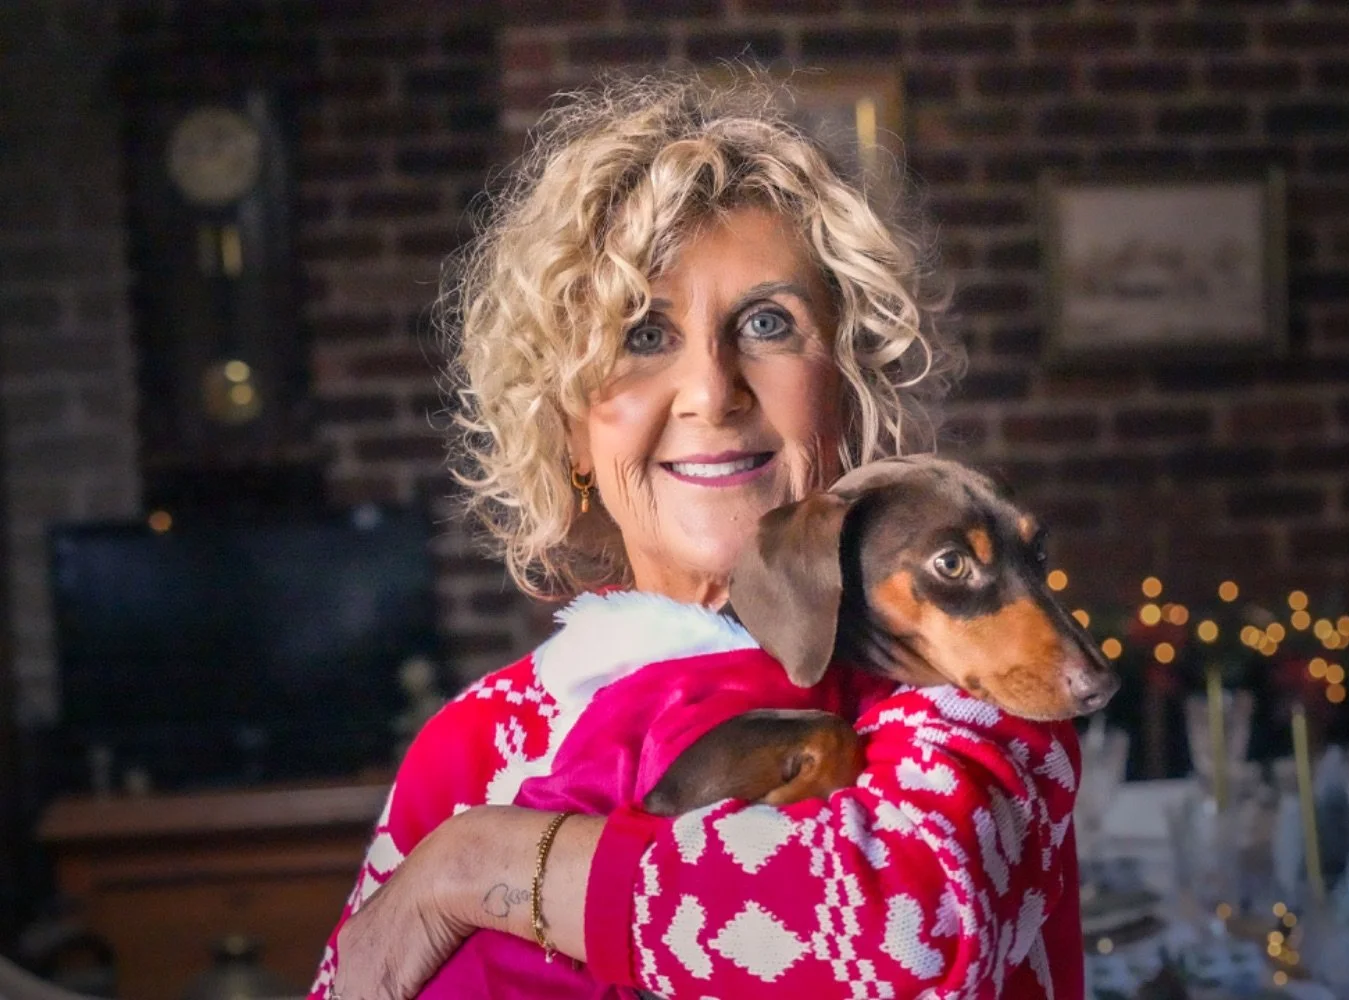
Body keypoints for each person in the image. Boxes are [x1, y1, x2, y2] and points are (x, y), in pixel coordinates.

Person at [312, 68, 1085, 1000]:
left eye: (767, 323)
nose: (712, 391)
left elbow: (901, 938)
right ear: (571, 429)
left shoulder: (970, 657)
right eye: (642, 334)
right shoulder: (478, 744)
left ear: (847, 387)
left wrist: (473, 866)